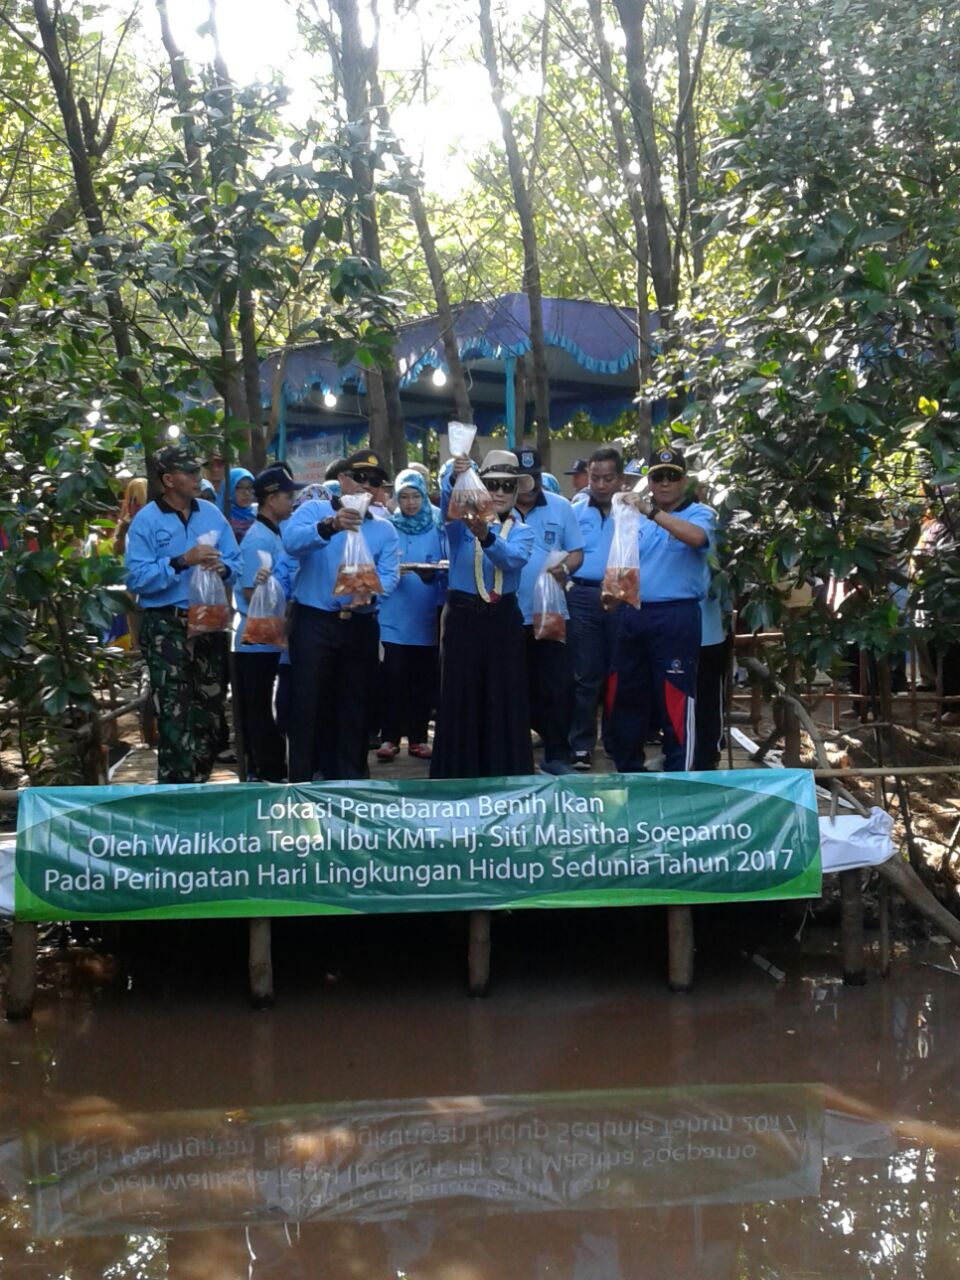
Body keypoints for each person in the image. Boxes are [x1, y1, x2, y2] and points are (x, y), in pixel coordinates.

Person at [124, 443, 242, 783]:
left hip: (210, 620)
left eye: (197, 470)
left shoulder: (211, 513)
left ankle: (200, 779)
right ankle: (175, 787)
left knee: (210, 703)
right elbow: (137, 578)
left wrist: (221, 568)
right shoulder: (146, 520)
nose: (197, 477)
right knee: (175, 706)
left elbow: (237, 563)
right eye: (188, 472)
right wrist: (180, 561)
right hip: (166, 623)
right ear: (168, 479)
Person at [281, 458, 401, 782]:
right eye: (360, 477)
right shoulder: (313, 511)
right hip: (316, 621)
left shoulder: (384, 529)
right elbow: (291, 543)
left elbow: (390, 574)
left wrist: (372, 593)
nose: (366, 486)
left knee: (355, 703)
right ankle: (303, 778)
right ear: (343, 479)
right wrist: (330, 525)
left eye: (374, 481)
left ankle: (350, 778)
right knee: (307, 701)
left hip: (359, 622)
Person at [605, 446, 716, 773]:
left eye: (672, 476)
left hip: (676, 615)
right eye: (658, 477)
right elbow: (625, 561)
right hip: (635, 613)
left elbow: (697, 539)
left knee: (675, 696)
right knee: (626, 693)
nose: (665, 483)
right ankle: (628, 770)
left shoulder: (699, 513)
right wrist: (612, 593)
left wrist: (650, 512)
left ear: (684, 480)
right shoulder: (637, 519)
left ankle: (680, 774)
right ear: (650, 481)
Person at [430, 449, 535, 779]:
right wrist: (456, 477)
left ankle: (505, 771)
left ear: (516, 492)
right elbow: (448, 509)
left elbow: (512, 560)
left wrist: (486, 535)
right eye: (492, 485)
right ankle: (458, 774)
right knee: (460, 696)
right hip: (464, 617)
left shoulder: (522, 530)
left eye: (507, 486)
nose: (500, 493)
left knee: (504, 696)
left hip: (503, 619)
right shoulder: (460, 527)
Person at [513, 447, 584, 775]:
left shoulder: (560, 507)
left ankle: (557, 755)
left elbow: (577, 552)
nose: (531, 484)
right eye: (524, 478)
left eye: (536, 477)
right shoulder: (500, 507)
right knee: (513, 687)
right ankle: (514, 755)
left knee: (557, 687)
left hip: (551, 614)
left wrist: (565, 567)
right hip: (509, 614)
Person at [233, 465, 304, 781]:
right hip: (255, 637)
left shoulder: (275, 532)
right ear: (271, 498)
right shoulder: (256, 539)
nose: (292, 502)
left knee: (266, 705)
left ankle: (272, 764)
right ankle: (265, 769)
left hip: (270, 634)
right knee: (259, 708)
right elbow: (250, 590)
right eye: (288, 496)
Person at [377, 468, 446, 761]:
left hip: (426, 613)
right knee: (392, 677)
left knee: (421, 678)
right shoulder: (388, 527)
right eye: (403, 497)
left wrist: (431, 573)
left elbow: (447, 565)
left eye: (415, 496)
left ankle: (417, 738)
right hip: (393, 613)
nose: (410, 503)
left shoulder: (438, 524)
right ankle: (390, 738)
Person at [567, 446, 624, 770]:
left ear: (619, 478)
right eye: (595, 477)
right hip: (584, 595)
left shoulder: (629, 511)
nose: (601, 485)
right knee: (586, 674)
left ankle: (617, 742)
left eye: (608, 478)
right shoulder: (576, 510)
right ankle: (581, 746)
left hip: (621, 595)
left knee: (618, 673)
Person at [228, 467, 257, 542]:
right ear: (229, 489)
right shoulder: (225, 518)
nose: (246, 493)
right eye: (239, 487)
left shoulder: (258, 515)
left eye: (250, 487)